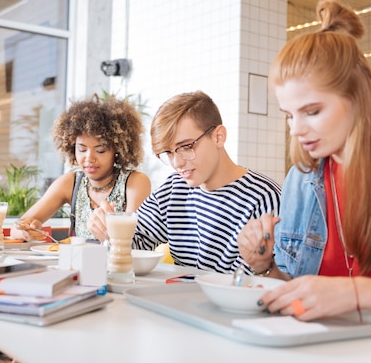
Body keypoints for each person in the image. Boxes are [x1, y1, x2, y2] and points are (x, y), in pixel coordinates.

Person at [238, 0, 371, 328]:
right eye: (289, 115)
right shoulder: (301, 179)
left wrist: (362, 293)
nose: (297, 129)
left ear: (358, 97)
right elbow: (298, 292)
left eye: (312, 111)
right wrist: (265, 267)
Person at [87, 91, 281, 273]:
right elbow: (137, 244)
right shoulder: (174, 189)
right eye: (169, 153)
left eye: (186, 147)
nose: (177, 163)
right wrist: (110, 233)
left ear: (218, 137)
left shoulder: (264, 199)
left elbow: (282, 276)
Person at [11, 94, 151, 241]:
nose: (89, 158)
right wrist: (27, 231)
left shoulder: (135, 182)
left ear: (117, 150)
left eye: (100, 150)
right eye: (82, 149)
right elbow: (16, 227)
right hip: (77, 264)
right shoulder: (69, 183)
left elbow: (136, 242)